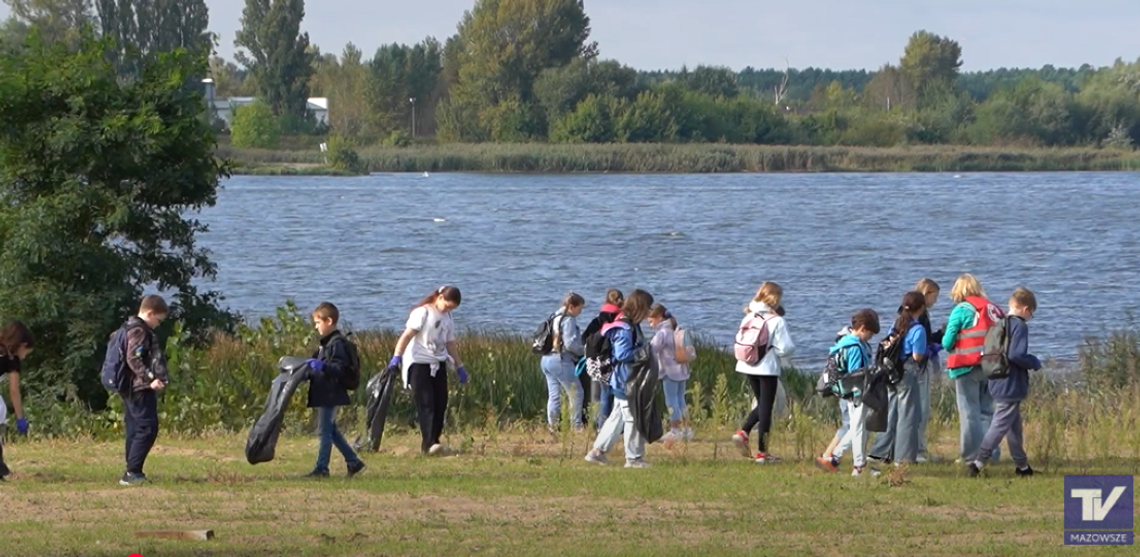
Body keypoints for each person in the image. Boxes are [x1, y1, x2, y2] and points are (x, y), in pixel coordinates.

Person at [969, 287, 1041, 478]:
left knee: (1013, 426)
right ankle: (978, 462)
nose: (1030, 317)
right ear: (1025, 309)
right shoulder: (1020, 326)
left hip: (996, 377)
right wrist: (1033, 362)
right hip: (1011, 382)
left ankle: (1022, 466)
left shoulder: (999, 323)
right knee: (1000, 424)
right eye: (1031, 314)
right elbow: (1016, 354)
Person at [390, 286, 468, 456]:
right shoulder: (422, 313)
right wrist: (397, 357)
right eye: (447, 306)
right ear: (440, 298)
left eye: (451, 308)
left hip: (438, 363)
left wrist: (459, 366)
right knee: (427, 403)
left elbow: (450, 344)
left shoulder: (448, 317)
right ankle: (428, 444)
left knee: (441, 403)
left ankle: (435, 441)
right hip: (419, 364)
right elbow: (407, 336)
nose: (448, 310)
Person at [585, 289, 654, 468]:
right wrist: (645, 351)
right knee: (633, 418)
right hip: (626, 381)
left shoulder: (630, 325)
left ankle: (597, 452)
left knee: (617, 416)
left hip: (624, 380)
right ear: (640, 307)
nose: (650, 312)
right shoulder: (625, 328)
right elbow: (622, 354)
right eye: (648, 307)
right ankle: (633, 458)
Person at [731, 282, 795, 463]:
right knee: (767, 407)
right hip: (767, 367)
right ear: (776, 298)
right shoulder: (777, 320)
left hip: (747, 364)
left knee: (762, 404)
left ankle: (744, 432)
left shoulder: (749, 315)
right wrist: (780, 353)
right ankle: (762, 452)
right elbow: (786, 348)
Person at [942, 274, 1003, 464]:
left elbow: (947, 342)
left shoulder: (961, 310)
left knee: (969, 411)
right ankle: (991, 454)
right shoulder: (993, 309)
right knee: (987, 412)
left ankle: (971, 455)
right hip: (992, 366)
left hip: (967, 366)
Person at [303, 302, 366, 478]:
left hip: (331, 393)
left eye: (318, 323)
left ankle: (322, 468)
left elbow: (339, 369)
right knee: (331, 431)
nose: (316, 327)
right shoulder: (325, 344)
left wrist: (322, 366)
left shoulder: (337, 344)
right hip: (324, 393)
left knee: (324, 431)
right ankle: (353, 462)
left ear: (329, 321)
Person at [816, 309, 879, 474]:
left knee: (858, 427)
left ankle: (835, 456)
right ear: (863, 328)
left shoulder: (844, 341)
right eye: (871, 334)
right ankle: (859, 467)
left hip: (848, 394)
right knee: (859, 430)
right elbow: (855, 375)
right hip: (857, 395)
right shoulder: (855, 348)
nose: (871, 337)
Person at [868, 292, 927, 465]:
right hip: (907, 370)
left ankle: (880, 452)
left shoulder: (896, 324)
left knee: (891, 411)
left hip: (891, 370)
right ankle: (904, 457)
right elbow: (917, 356)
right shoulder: (918, 329)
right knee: (908, 414)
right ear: (921, 308)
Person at [118, 295, 172, 486]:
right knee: (147, 428)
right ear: (149, 313)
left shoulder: (128, 326)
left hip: (131, 388)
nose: (158, 324)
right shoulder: (140, 331)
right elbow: (133, 358)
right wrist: (151, 379)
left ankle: (131, 471)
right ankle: (133, 472)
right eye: (158, 320)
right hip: (140, 388)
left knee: (135, 429)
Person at [541, 292, 586, 431]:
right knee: (576, 393)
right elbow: (570, 344)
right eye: (579, 309)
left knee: (554, 396)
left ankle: (552, 426)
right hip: (560, 360)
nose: (580, 312)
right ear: (572, 307)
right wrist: (584, 351)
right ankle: (576, 426)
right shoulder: (569, 320)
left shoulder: (555, 316)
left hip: (546, 359)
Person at [648, 304, 692, 448]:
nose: (650, 325)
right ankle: (686, 429)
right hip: (682, 369)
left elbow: (651, 349)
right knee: (681, 400)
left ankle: (675, 430)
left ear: (659, 317)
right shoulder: (675, 328)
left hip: (669, 371)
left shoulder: (662, 333)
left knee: (671, 401)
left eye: (651, 321)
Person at [581, 289, 623, 430]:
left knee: (600, 395)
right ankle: (612, 426)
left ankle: (599, 426)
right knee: (614, 395)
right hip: (610, 361)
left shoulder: (598, 319)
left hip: (594, 362)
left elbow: (584, 339)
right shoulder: (620, 318)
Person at [0, 321, 34, 481]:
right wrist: (20, 419)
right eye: (26, 352)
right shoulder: (12, 359)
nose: (25, 356)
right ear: (22, 345)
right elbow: (14, 391)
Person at [914, 278, 942, 462]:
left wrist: (939, 335)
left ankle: (918, 447)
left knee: (919, 407)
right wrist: (938, 343)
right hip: (920, 365)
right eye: (935, 297)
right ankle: (918, 449)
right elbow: (923, 342)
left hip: (916, 365)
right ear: (927, 293)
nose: (935, 301)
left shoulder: (915, 313)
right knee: (921, 408)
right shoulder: (921, 315)